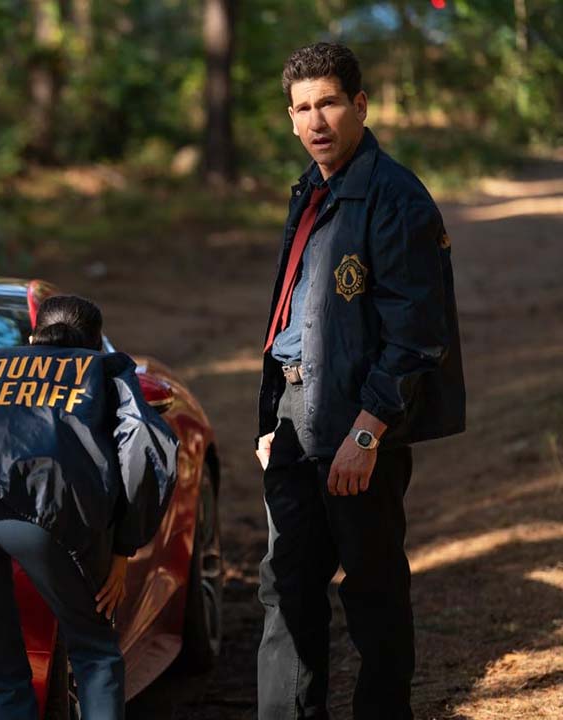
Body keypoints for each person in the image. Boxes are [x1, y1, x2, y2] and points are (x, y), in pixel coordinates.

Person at [254, 42, 465, 719]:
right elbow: (295, 314)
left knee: (372, 591)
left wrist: (368, 432)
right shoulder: (310, 190)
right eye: (302, 108)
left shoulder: (395, 197)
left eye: (330, 103)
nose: (316, 121)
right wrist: (272, 418)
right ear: (290, 119)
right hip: (293, 417)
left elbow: (417, 334)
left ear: (361, 105)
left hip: (357, 421)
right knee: (285, 587)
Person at [0, 295, 179, 720]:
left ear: (31, 338)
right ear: (95, 345)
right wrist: (122, 547)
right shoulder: (100, 370)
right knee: (93, 650)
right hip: (46, 510)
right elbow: (142, 445)